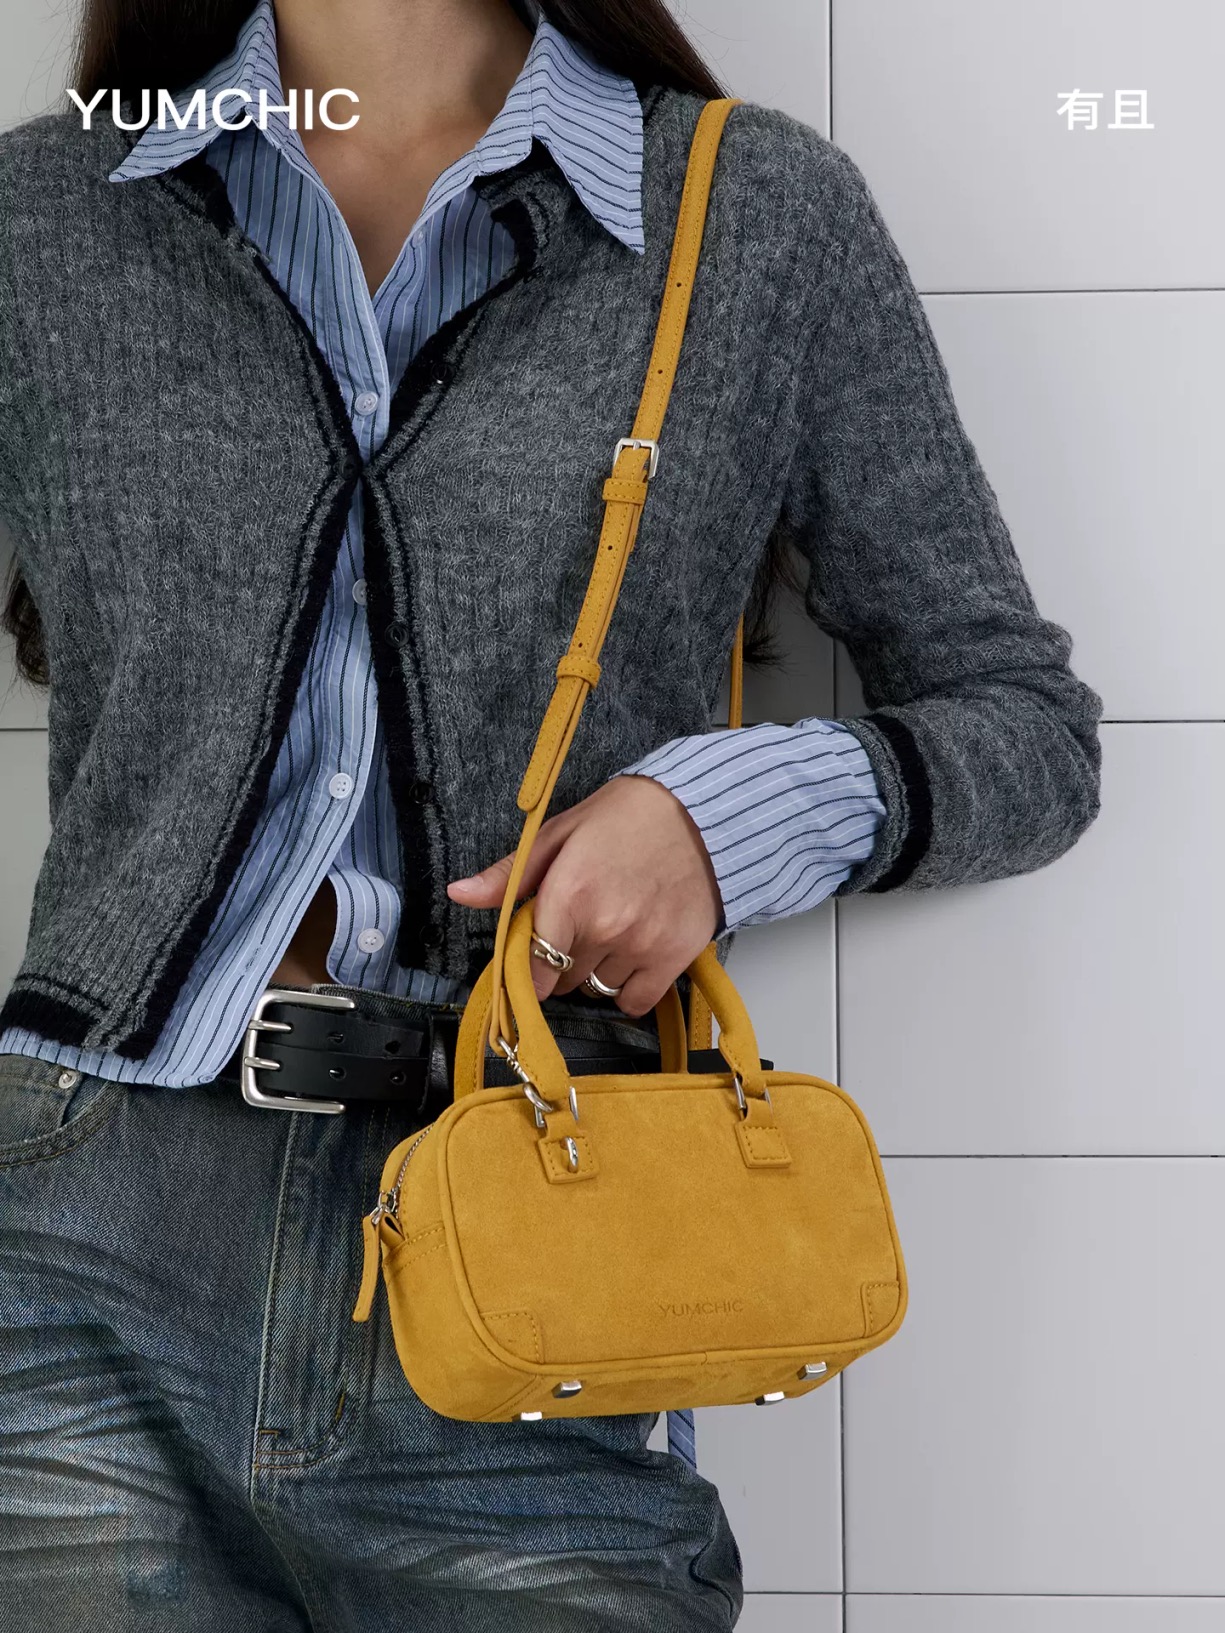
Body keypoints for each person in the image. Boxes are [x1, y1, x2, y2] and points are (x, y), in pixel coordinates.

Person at [0, 0, 1103, 1624]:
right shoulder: (48, 214)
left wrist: (709, 821)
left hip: (548, 1219)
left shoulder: (747, 213)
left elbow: (1021, 725)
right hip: (86, 1230)